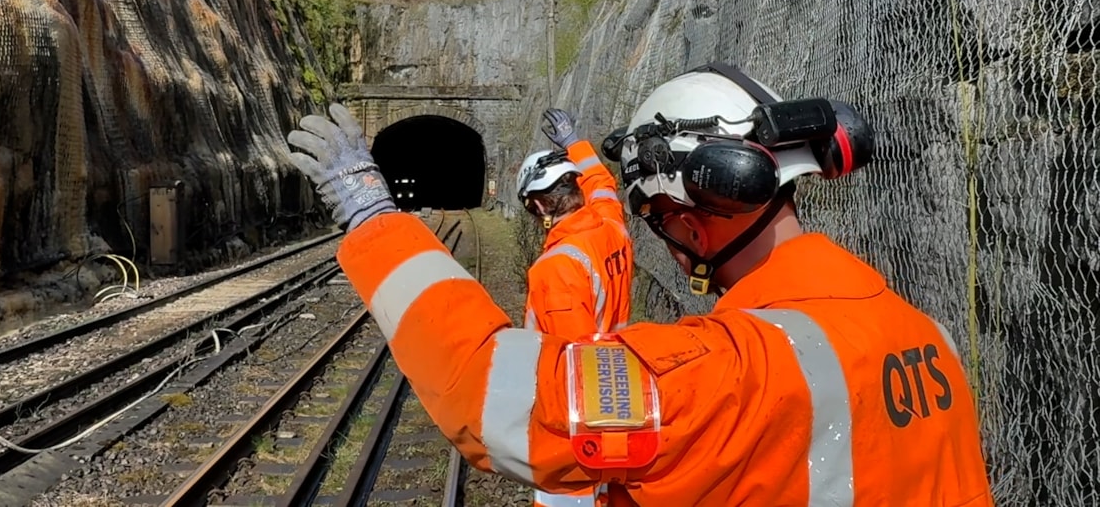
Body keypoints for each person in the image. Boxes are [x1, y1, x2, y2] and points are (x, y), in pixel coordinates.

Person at [286, 62, 994, 506]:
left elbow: (493, 392)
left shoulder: (723, 372)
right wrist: (583, 154)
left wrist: (374, 219)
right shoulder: (924, 336)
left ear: (687, 213)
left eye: (653, 215)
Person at [516, 108, 635, 506]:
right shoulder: (609, 224)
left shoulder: (556, 269)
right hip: (619, 386)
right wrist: (574, 143)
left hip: (577, 421)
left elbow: (575, 364)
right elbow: (602, 183)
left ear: (540, 207)